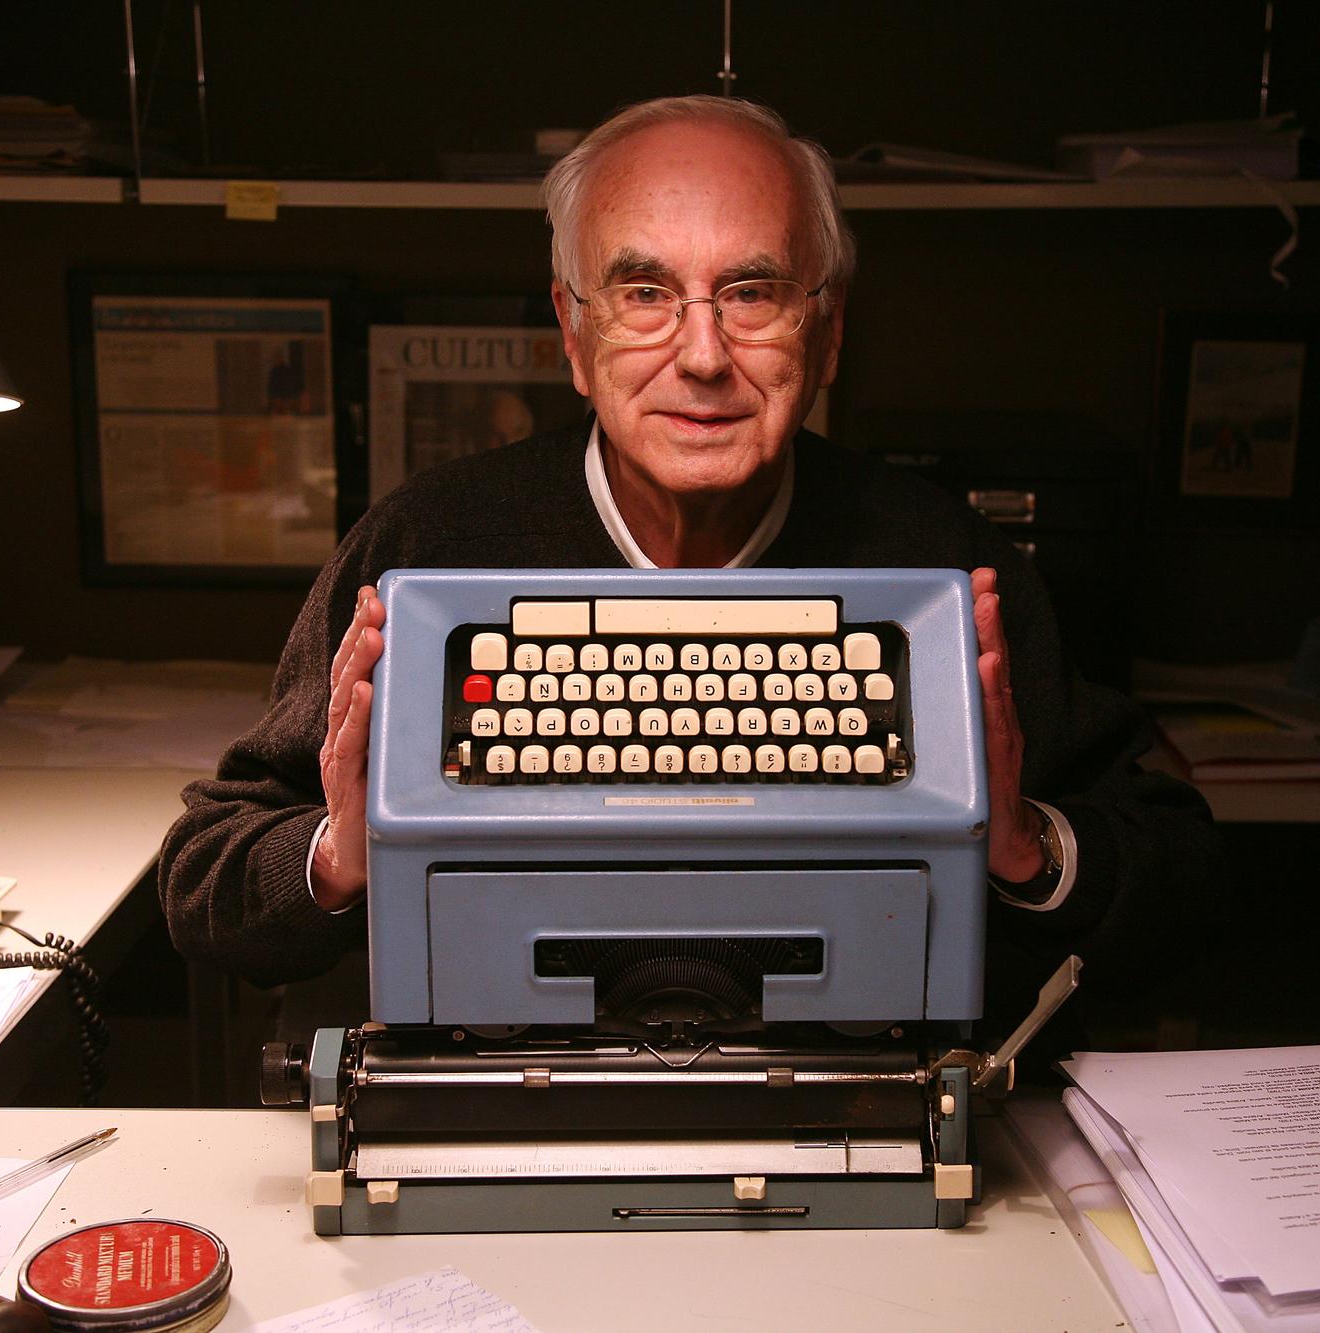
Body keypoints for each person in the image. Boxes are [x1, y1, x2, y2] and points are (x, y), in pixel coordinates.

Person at [158, 95, 1221, 1036]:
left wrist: (1025, 843)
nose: (704, 356)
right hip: (504, 1100)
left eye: (752, 292)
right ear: (572, 335)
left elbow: (1181, 877)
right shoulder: (423, 549)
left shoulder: (940, 562)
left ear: (828, 333)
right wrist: (345, 856)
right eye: (644, 295)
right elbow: (206, 879)